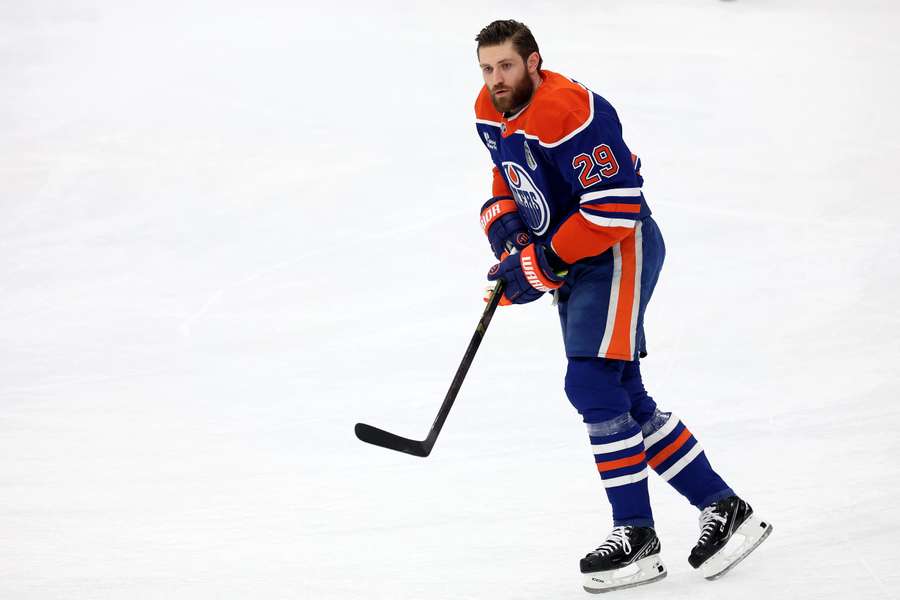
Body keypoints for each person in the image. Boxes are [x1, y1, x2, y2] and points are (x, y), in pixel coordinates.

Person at [473, 20, 773, 593]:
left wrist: (541, 263)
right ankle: (724, 508)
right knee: (619, 393)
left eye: (506, 67)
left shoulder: (571, 110)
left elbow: (616, 206)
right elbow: (507, 174)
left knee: (589, 384)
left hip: (617, 250)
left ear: (534, 62)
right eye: (487, 69)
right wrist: (508, 232)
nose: (496, 80)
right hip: (576, 257)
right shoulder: (490, 107)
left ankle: (635, 534)